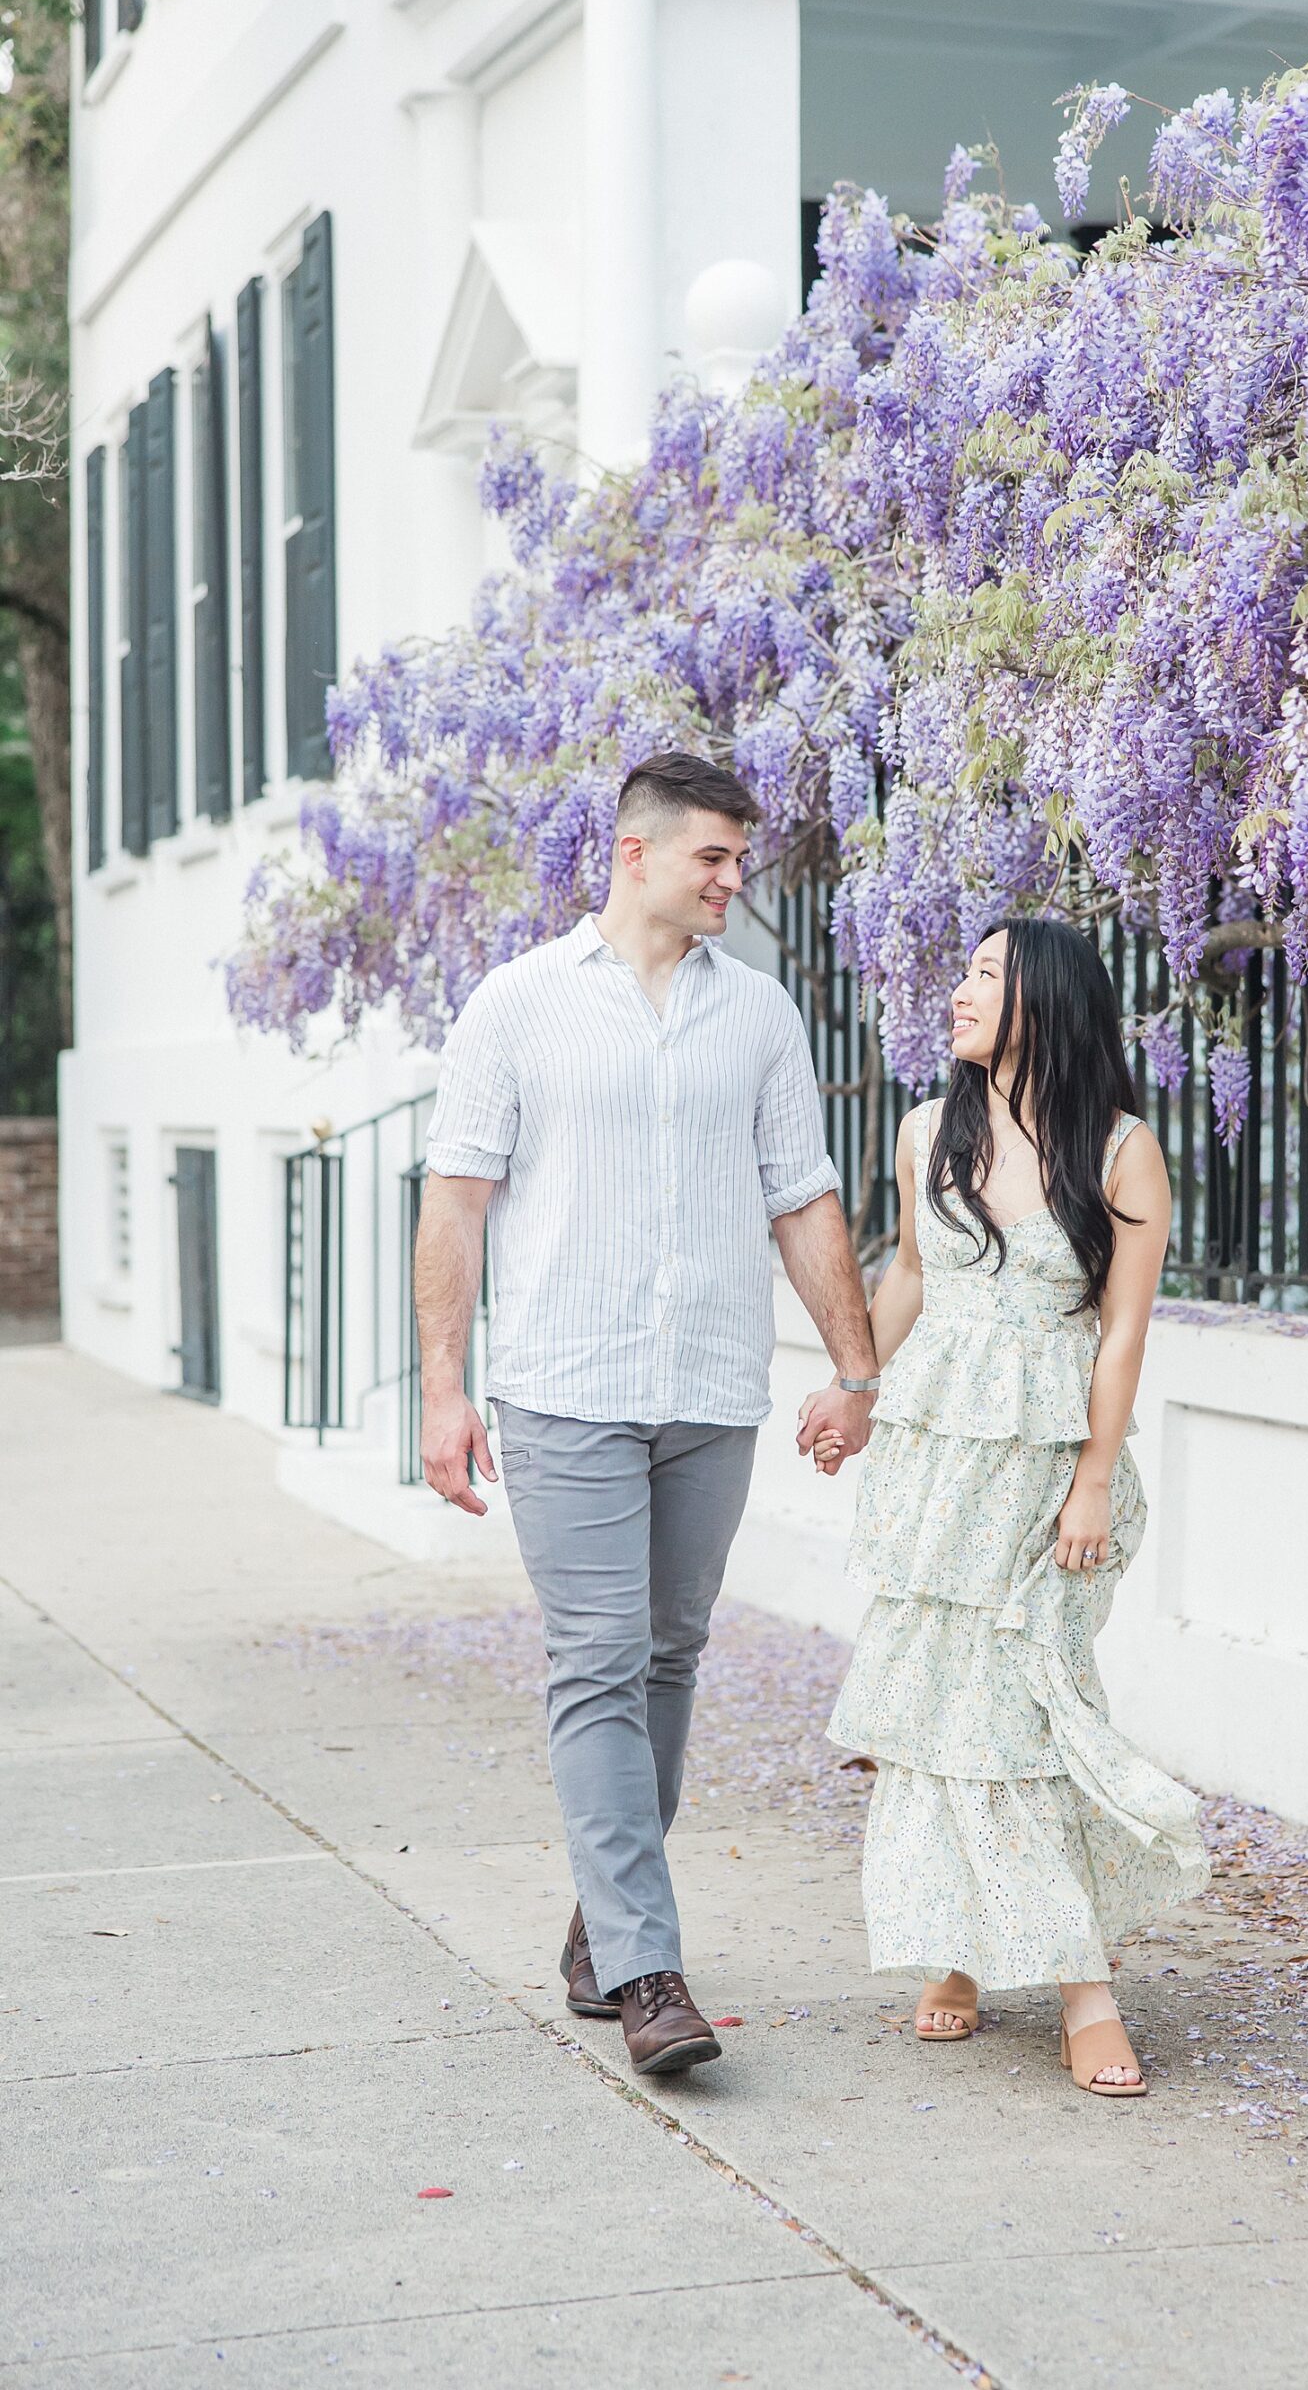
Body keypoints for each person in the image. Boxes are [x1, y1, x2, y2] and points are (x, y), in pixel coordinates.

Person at [416, 751, 881, 2077]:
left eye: (741, 859)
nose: (736, 880)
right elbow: (454, 1205)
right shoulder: (516, 1005)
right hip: (564, 1386)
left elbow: (801, 1198)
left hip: (709, 1389)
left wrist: (853, 1372)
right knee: (598, 1659)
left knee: (668, 1657)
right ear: (636, 855)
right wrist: (444, 1394)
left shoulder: (760, 1017)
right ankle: (647, 1971)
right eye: (714, 859)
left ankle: (600, 1924)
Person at [803, 919, 1211, 2097]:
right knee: (935, 1709)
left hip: (1046, 1474)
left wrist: (1092, 1476)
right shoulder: (928, 1130)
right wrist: (856, 1388)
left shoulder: (1123, 1150)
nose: (959, 988)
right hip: (940, 1466)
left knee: (1026, 1709)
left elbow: (1124, 1329)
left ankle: (1082, 1985)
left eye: (986, 972)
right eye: (964, 966)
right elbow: (914, 1276)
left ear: (1048, 997)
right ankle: (957, 1952)